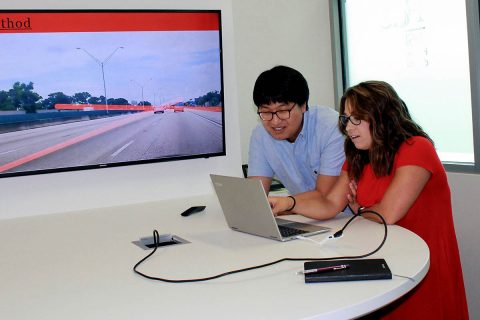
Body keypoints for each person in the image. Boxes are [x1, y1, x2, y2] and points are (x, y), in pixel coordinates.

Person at [269, 80, 469, 319]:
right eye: (345, 119)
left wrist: (359, 209)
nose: (349, 128)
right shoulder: (358, 154)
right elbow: (330, 203)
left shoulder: (416, 148)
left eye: (357, 119)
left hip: (422, 263)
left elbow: (388, 213)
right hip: (384, 258)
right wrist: (288, 203)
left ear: (383, 116)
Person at [248, 65, 346, 206]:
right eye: (266, 112)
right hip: (301, 216)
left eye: (283, 111)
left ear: (303, 105)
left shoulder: (331, 127)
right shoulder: (261, 134)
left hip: (346, 218)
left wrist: (285, 203)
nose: (275, 121)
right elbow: (256, 197)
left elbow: (325, 196)